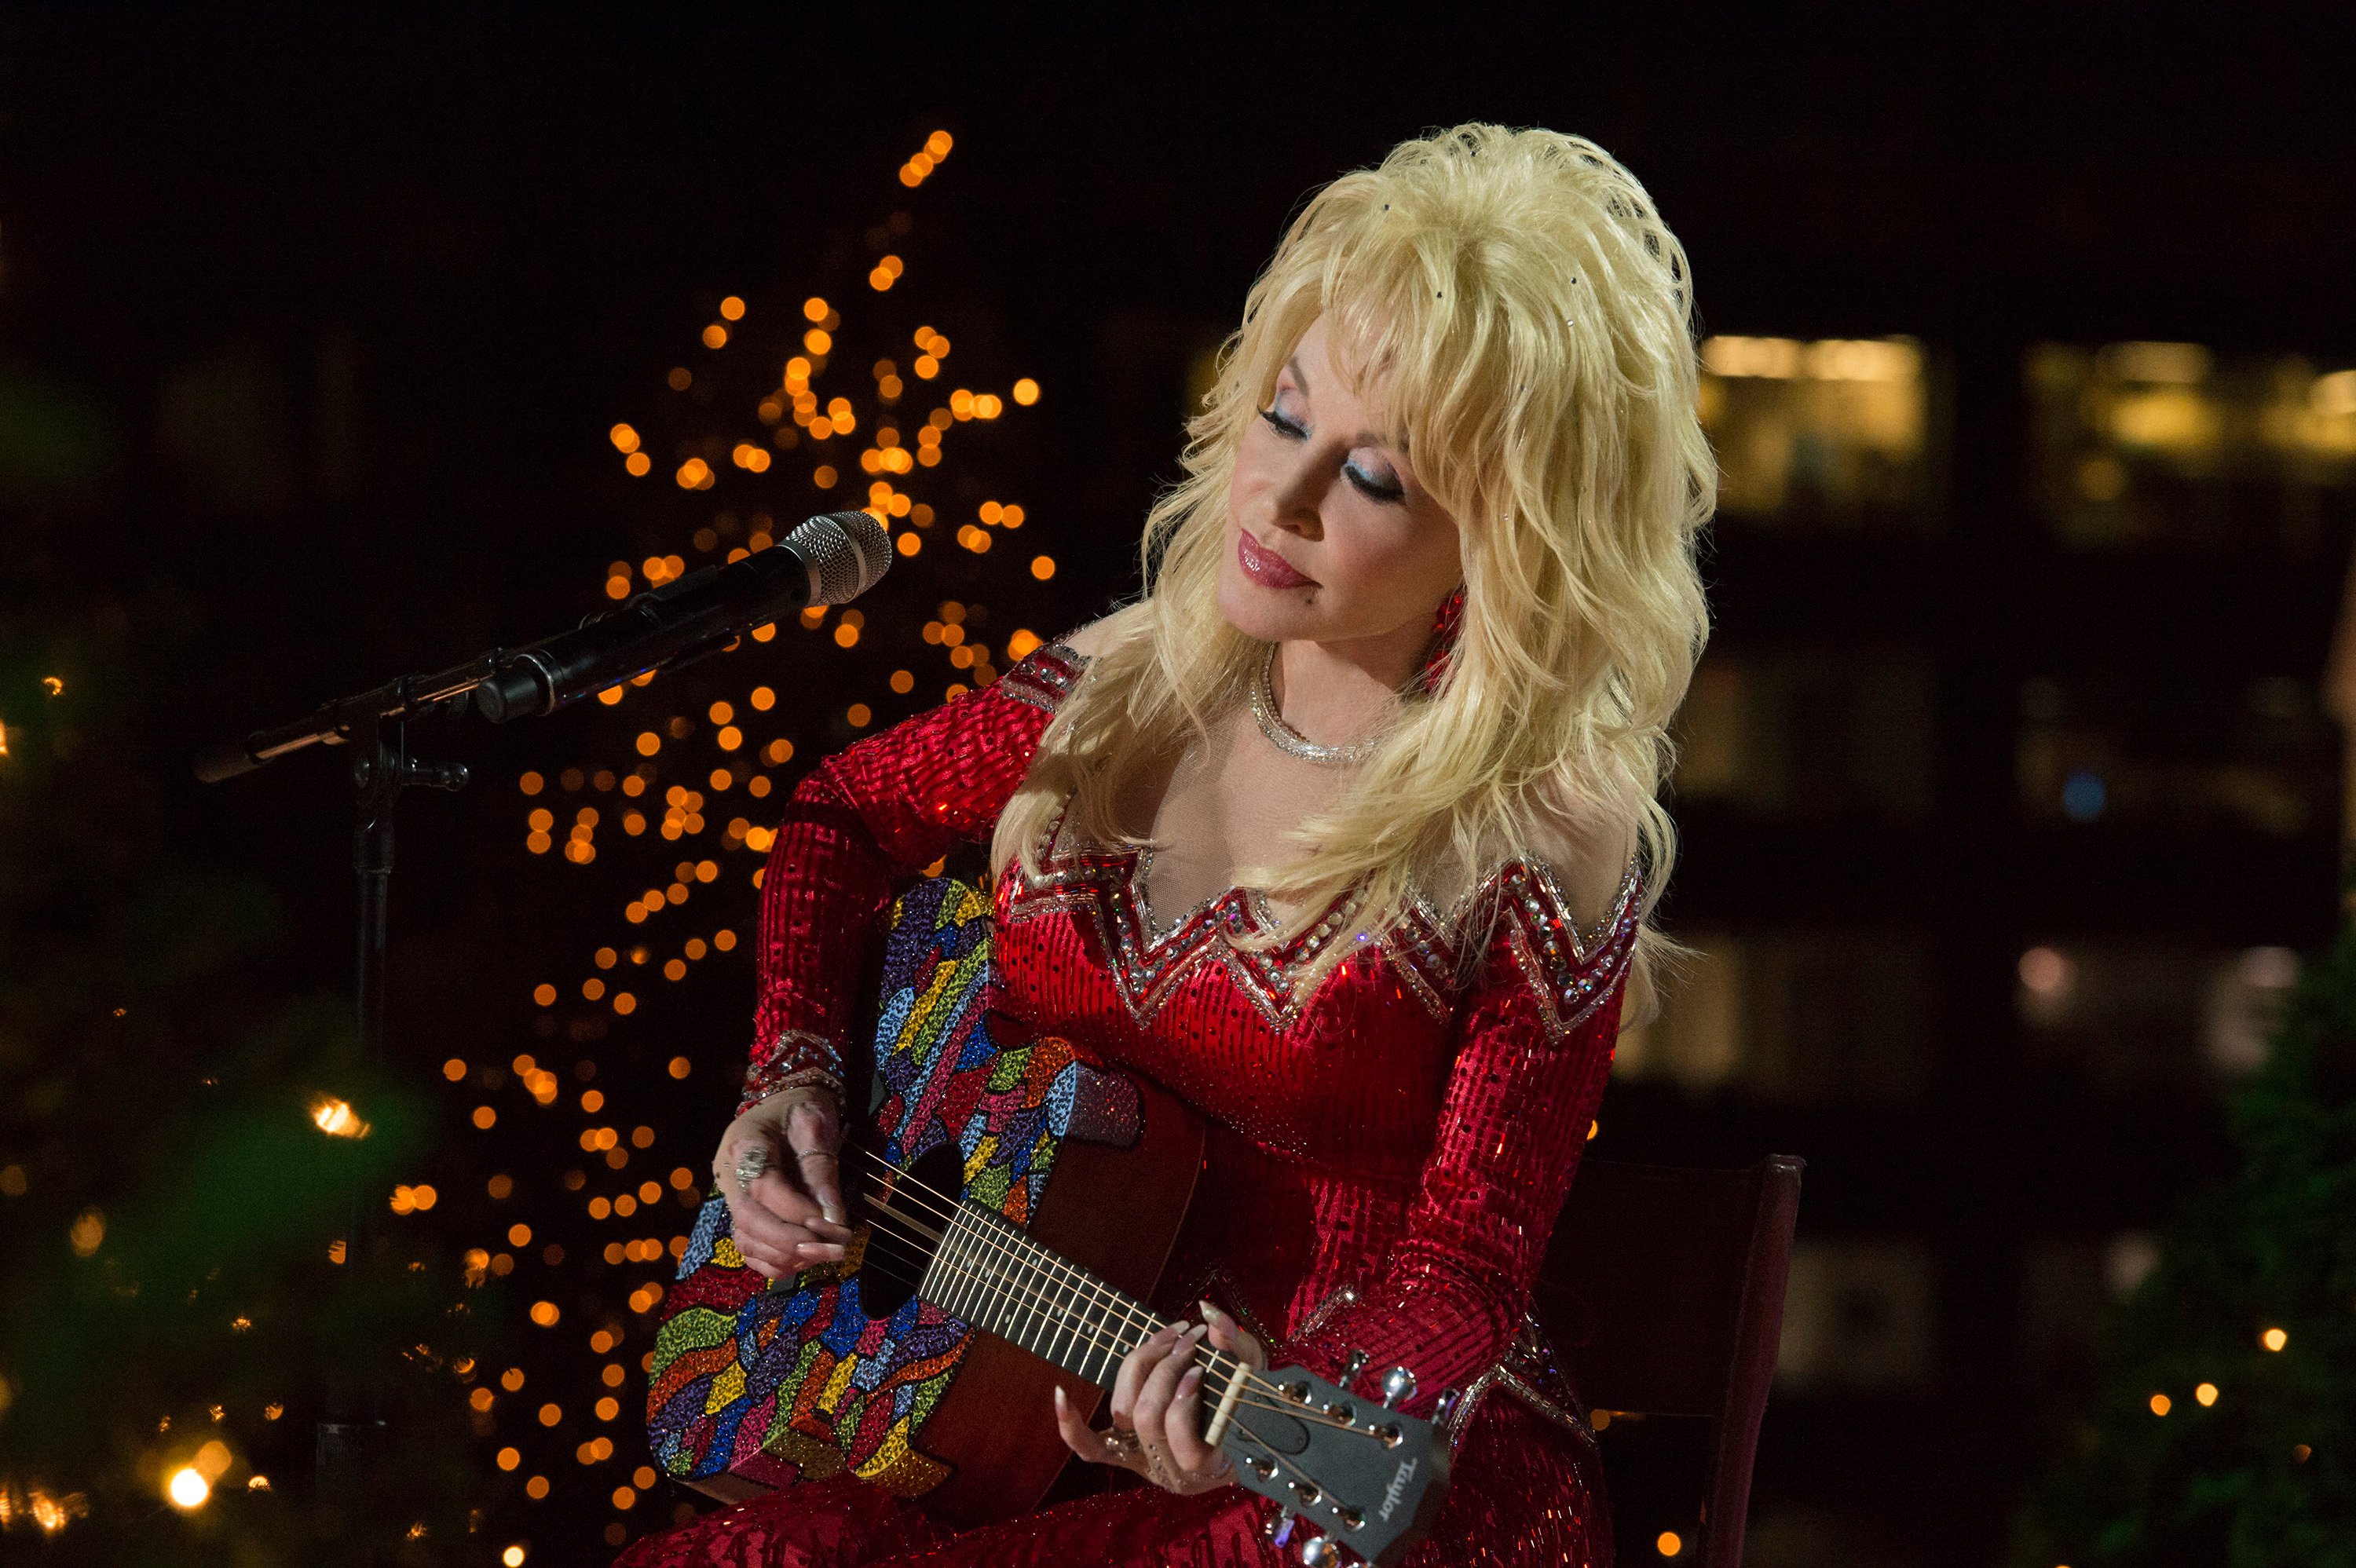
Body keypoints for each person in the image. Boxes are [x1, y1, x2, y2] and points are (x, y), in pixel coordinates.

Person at [620, 122, 1712, 1568]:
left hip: (1351, 1488)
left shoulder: (1541, 837)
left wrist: (1280, 1394)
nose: (1285, 498)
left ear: (1508, 537)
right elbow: (839, 815)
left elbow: (1465, 1278)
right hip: (1004, 1415)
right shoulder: (1117, 685)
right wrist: (794, 1071)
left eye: (1374, 479)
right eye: (1283, 415)